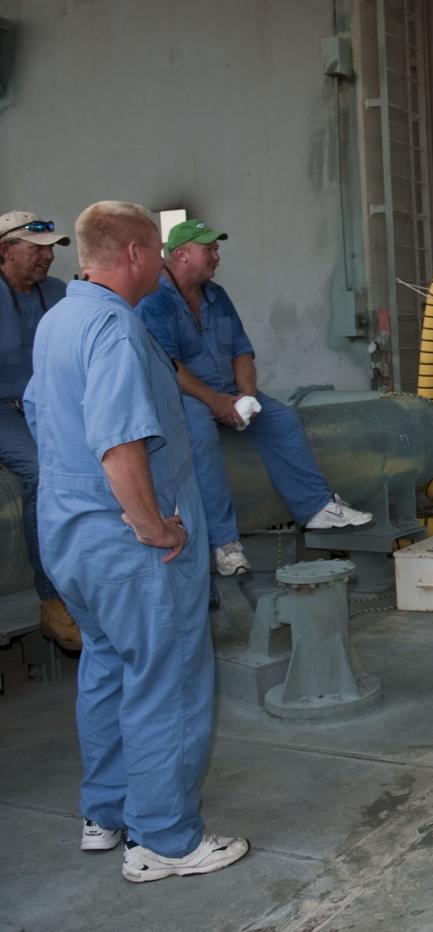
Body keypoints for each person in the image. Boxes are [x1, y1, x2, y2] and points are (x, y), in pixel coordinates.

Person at [23, 201, 249, 882]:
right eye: (154, 251)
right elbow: (120, 442)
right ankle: (164, 840)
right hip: (131, 545)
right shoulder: (117, 330)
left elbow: (39, 412)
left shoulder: (58, 318)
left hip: (71, 535)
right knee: (168, 678)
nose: (160, 263)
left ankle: (107, 813)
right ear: (133, 254)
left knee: (108, 666)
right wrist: (154, 527)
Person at [137, 219, 371, 576]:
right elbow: (170, 366)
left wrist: (246, 396)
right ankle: (224, 543)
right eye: (209, 249)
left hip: (227, 390)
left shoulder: (217, 295)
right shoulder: (155, 299)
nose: (217, 256)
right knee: (201, 439)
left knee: (283, 420)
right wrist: (217, 403)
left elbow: (242, 352)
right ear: (181, 254)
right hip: (186, 395)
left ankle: (317, 508)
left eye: (217, 248)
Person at [0, 210, 80, 650]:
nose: (47, 258)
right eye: (37, 249)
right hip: (1, 411)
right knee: (43, 474)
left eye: (51, 249)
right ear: (5, 251)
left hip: (45, 405)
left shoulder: (58, 293)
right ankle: (52, 601)